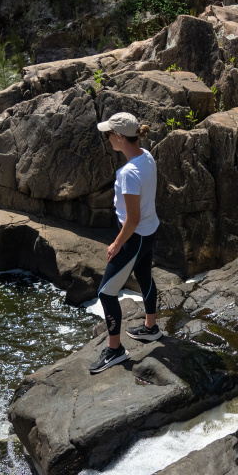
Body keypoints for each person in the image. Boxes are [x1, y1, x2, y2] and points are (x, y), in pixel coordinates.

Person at [89, 112, 162, 374]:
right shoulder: (146, 156)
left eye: (109, 134)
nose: (107, 138)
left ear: (119, 137)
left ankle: (115, 350)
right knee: (144, 277)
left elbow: (133, 219)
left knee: (105, 293)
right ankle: (150, 328)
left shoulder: (129, 173)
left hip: (135, 235)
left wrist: (117, 244)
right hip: (150, 230)